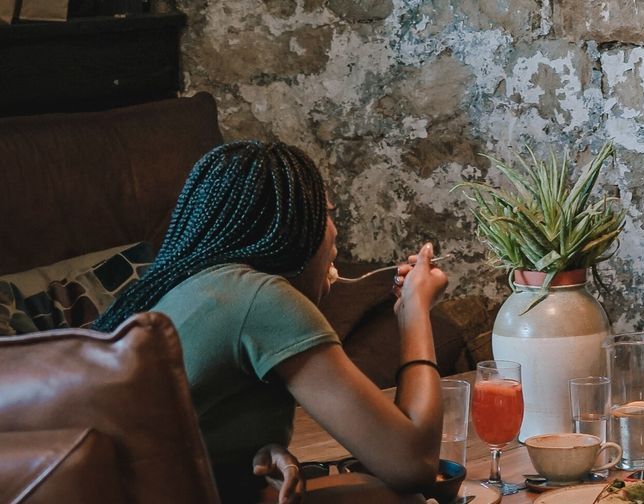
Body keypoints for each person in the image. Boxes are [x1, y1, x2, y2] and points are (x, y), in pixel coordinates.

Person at [95, 140, 447, 504]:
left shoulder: (190, 285)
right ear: (294, 229)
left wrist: (248, 458)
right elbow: (412, 463)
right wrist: (415, 311)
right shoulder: (263, 299)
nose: (334, 231)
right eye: (324, 214)